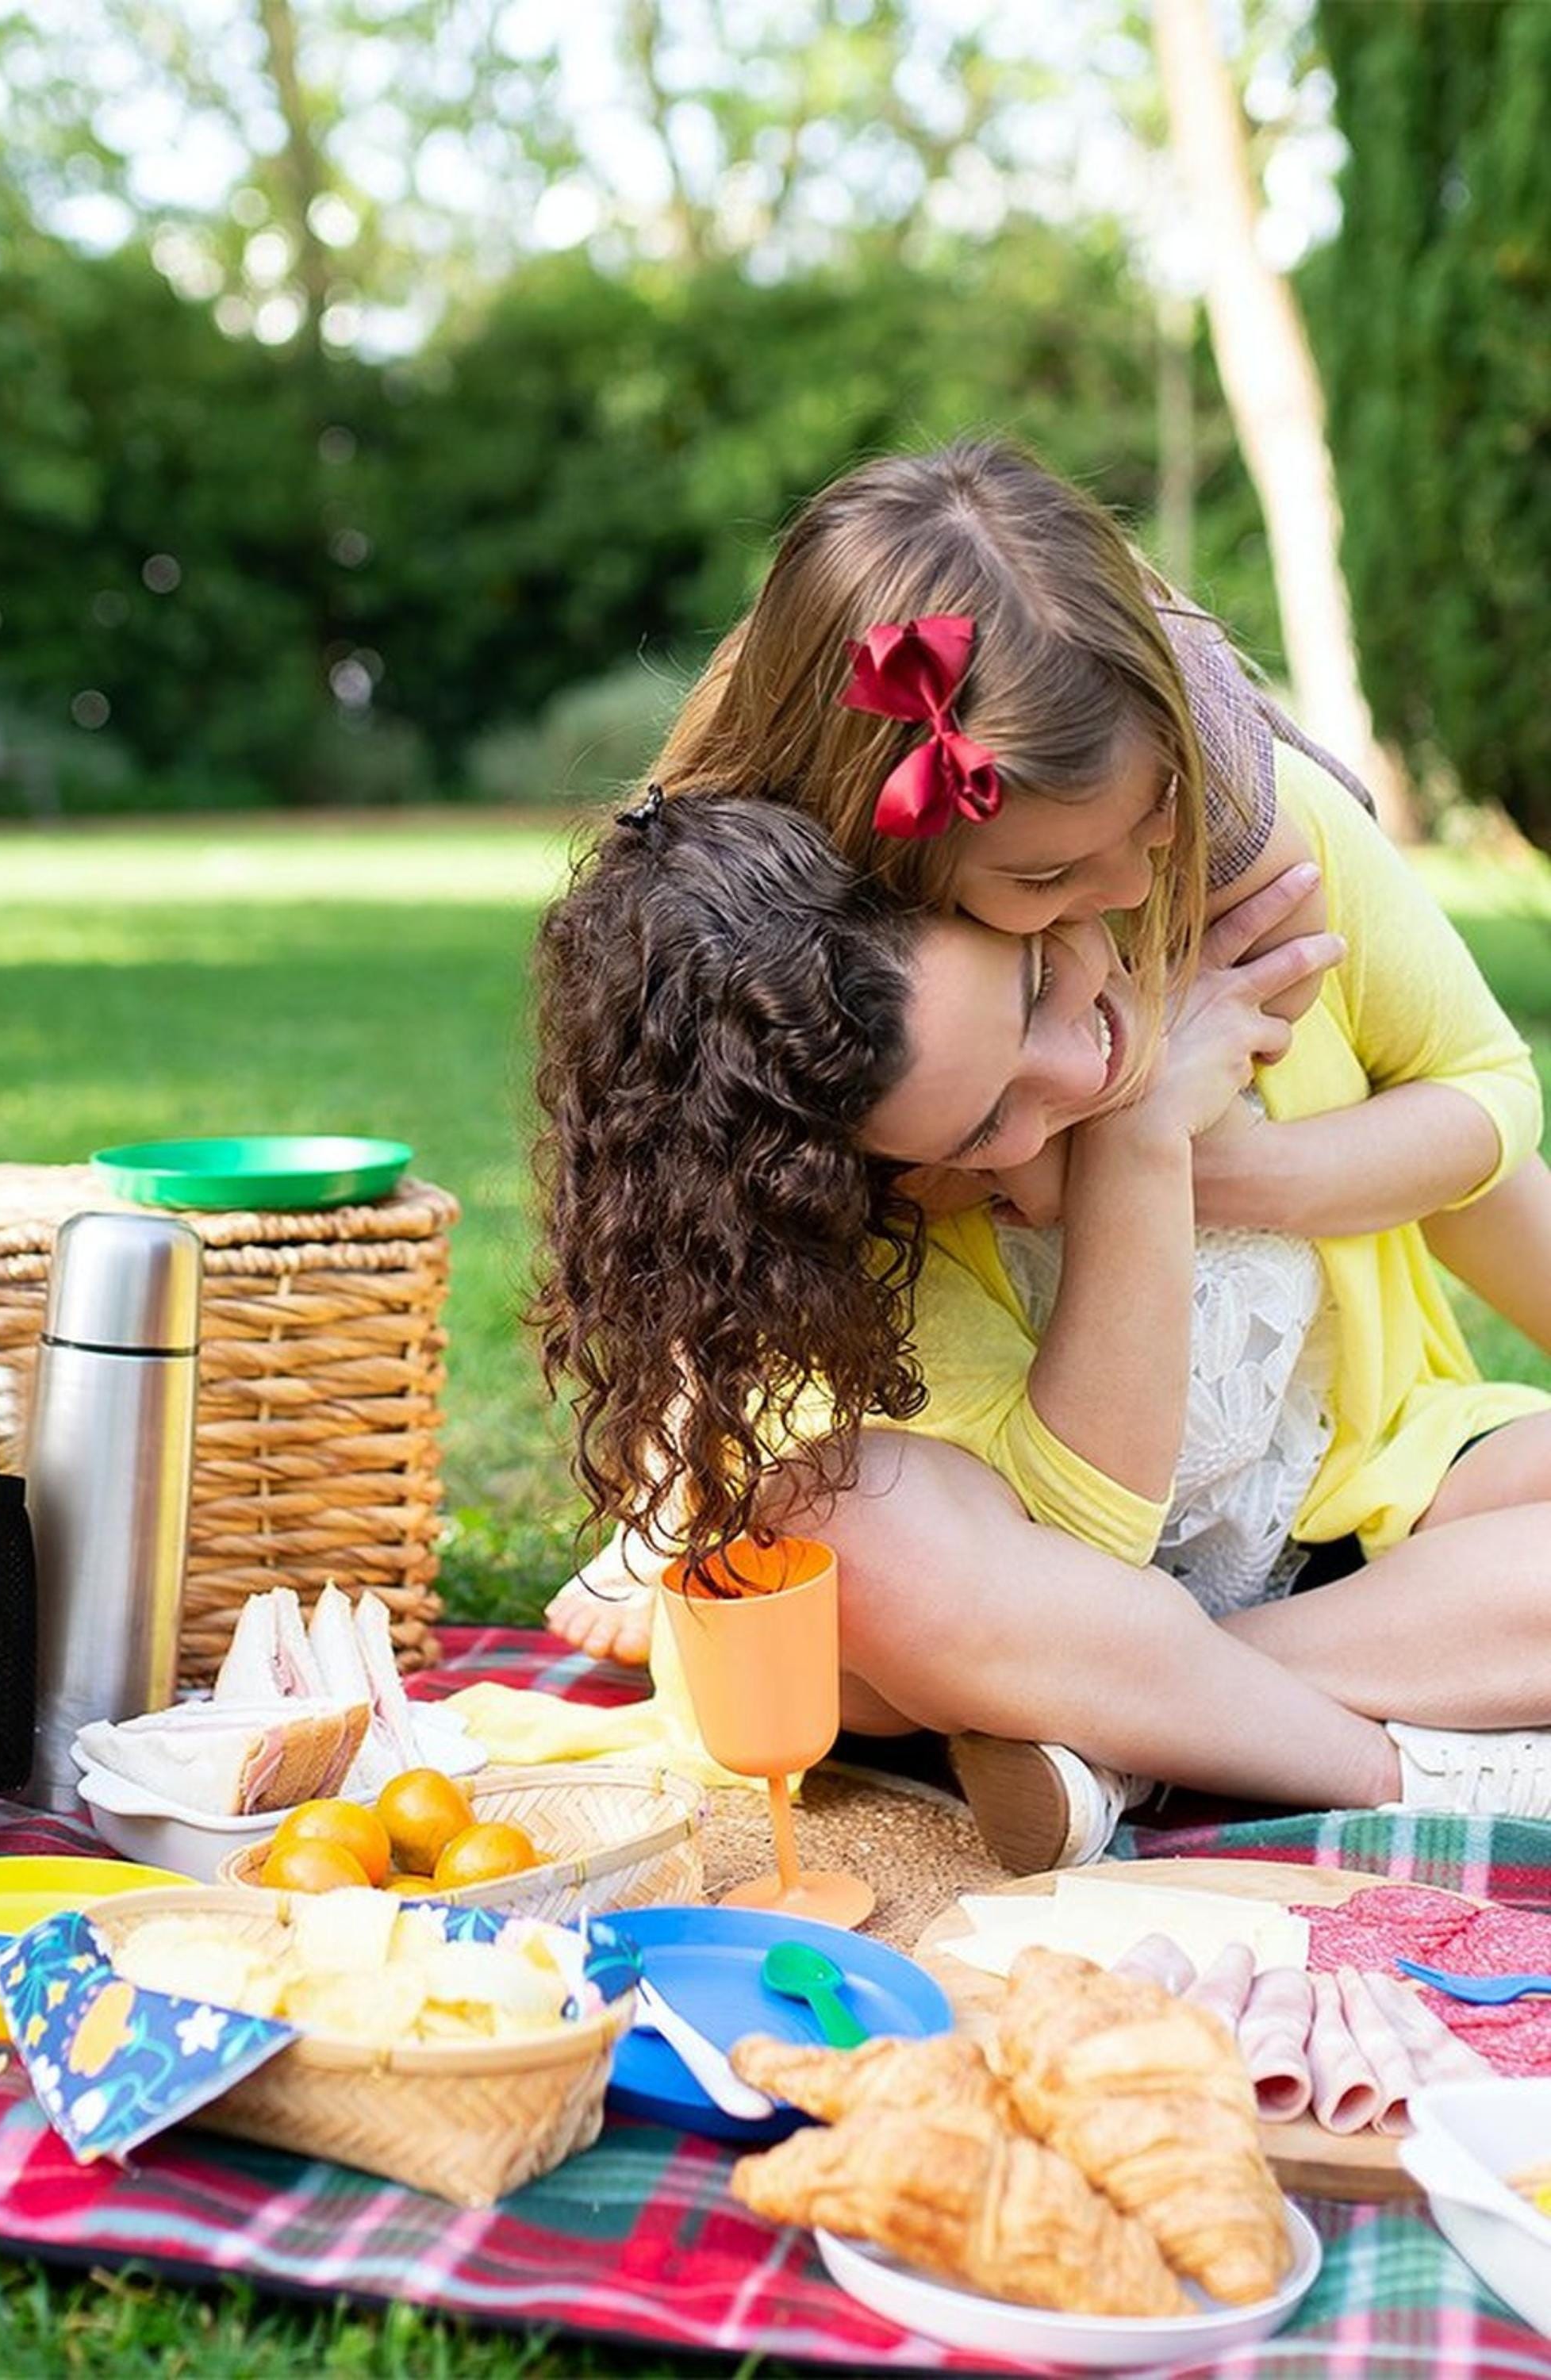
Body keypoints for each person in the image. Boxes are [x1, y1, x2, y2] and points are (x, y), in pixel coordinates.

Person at [540, 442, 1551, 1706]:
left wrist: (1223, 1167)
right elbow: (716, 1239)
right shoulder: (838, 1021)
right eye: (1043, 885)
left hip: (1350, 1484)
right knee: (842, 1592)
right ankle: (1159, 1688)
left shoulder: (1251, 861)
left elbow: (1492, 1099)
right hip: (1032, 1537)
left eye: (1150, 822)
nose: (1126, 888)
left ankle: (1154, 1703)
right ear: (879, 850)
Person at [512, 785, 1551, 1867]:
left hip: (1358, 1518)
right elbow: (1091, 1546)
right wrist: (1138, 1145)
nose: (1078, 1068)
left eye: (1038, 982)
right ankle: (1404, 1767)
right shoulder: (862, 1189)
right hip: (1025, 1607)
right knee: (849, 1529)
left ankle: (1128, 1742)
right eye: (982, 1123)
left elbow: (1483, 1135)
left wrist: (1232, 1165)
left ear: (1004, 886)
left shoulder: (1244, 889)